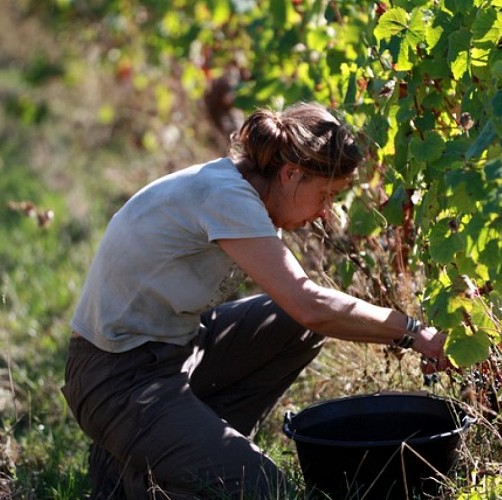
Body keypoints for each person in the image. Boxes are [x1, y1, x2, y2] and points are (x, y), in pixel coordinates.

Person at [61, 101, 450, 499]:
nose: (324, 213)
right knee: (265, 491)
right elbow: (310, 305)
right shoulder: (225, 196)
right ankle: (161, 464)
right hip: (117, 378)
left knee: (287, 324)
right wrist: (411, 331)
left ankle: (171, 451)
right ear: (291, 174)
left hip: (173, 350)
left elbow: (300, 308)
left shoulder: (241, 190)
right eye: (325, 195)